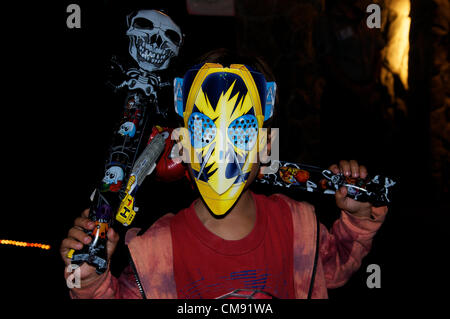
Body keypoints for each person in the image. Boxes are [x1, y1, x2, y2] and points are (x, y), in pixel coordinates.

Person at [60, 49, 388, 299]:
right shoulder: (156, 251)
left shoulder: (297, 227)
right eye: (205, 130)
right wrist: (90, 283)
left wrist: (357, 221)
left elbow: (336, 266)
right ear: (181, 144)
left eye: (241, 130)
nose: (221, 149)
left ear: (266, 146)